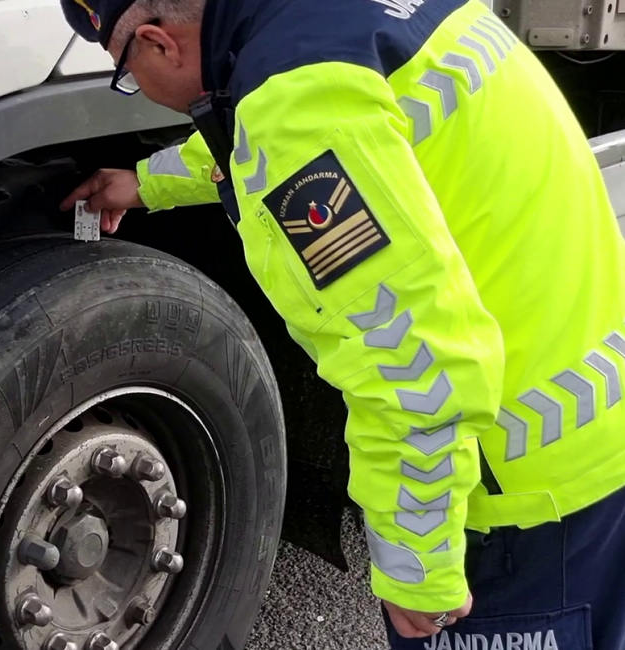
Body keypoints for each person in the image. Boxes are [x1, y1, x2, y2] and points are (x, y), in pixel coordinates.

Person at [57, 0, 625, 647]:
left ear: (160, 43)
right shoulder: (354, 21)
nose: (141, 91)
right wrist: (146, 182)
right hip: (590, 421)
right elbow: (296, 142)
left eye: (127, 74)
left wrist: (420, 569)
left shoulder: (297, 99)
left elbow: (415, 362)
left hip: (519, 504)